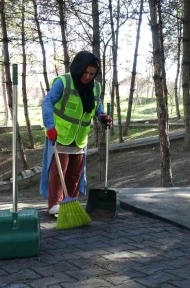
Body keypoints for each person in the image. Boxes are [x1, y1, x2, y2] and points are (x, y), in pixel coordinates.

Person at [40, 51, 112, 215]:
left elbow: (97, 105)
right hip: (60, 135)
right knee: (59, 171)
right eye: (85, 72)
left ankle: (70, 204)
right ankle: (54, 205)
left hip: (80, 138)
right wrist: (50, 126)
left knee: (75, 174)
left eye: (92, 74)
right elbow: (47, 102)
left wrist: (102, 116)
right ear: (79, 68)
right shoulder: (64, 82)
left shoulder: (96, 87)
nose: (88, 76)